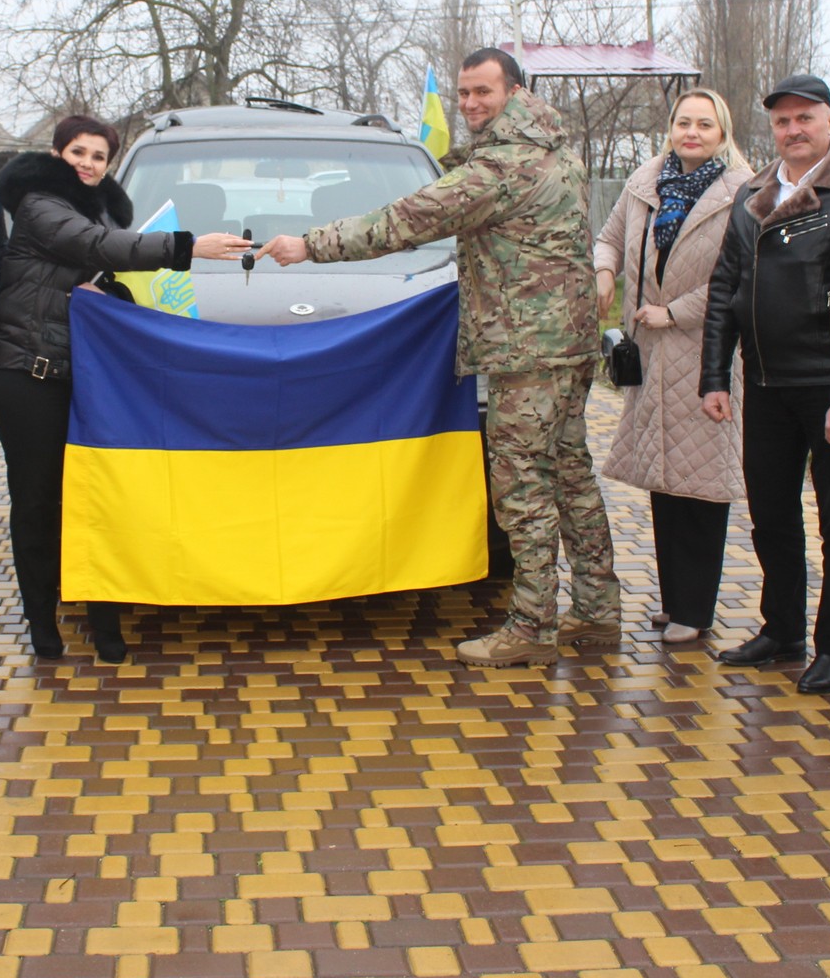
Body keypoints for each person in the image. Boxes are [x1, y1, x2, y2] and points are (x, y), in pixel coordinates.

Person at [261, 47, 614, 667]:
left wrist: (307, 244)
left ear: (514, 91)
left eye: (484, 92)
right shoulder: (558, 151)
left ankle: (533, 625)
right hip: (568, 342)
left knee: (521, 484)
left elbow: (404, 221)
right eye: (465, 94)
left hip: (526, 350)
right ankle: (597, 610)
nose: (473, 104)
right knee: (570, 474)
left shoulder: (500, 169)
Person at [0, 115, 252, 663]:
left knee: (94, 503)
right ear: (57, 155)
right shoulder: (40, 205)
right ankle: (44, 626)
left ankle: (103, 623)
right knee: (36, 506)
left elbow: (115, 269)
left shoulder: (104, 212)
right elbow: (97, 245)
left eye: (98, 157)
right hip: (29, 377)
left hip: (90, 381)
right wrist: (188, 247)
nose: (87, 163)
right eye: (77, 153)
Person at [700, 73, 830, 695]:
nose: (793, 130)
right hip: (765, 382)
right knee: (770, 516)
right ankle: (780, 630)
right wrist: (715, 375)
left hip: (828, 387)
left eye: (805, 118)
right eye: (783, 121)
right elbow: (724, 290)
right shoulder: (752, 194)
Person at [593, 89, 749, 645]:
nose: (692, 132)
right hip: (653, 353)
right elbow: (608, 238)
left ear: (722, 132)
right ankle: (674, 598)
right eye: (684, 122)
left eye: (705, 124)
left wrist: (674, 311)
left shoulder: (742, 193)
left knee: (700, 485)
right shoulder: (644, 184)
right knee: (664, 478)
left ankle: (696, 608)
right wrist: (605, 271)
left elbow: (740, 276)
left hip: (706, 352)